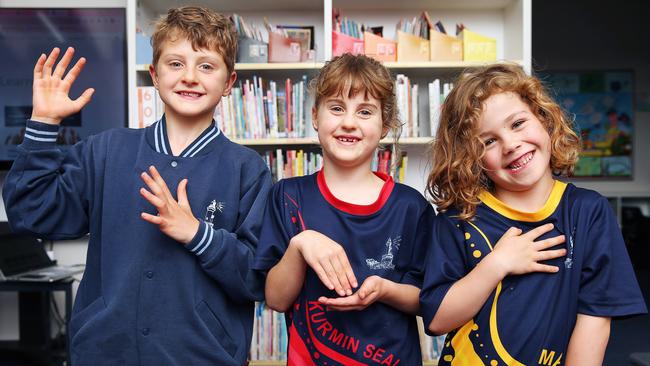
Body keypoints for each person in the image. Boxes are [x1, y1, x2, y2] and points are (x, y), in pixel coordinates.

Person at [2, 6, 271, 365]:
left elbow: (259, 277)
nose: (190, 76)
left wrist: (198, 234)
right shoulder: (106, 151)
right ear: (154, 76)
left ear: (229, 83)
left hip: (202, 357)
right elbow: (29, 211)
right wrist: (43, 124)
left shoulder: (248, 170)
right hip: (105, 353)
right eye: (175, 64)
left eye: (206, 66)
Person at [420, 63, 647, 365]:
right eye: (488, 141)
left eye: (517, 124)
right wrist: (498, 264)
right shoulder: (458, 218)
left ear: (544, 120)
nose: (511, 145)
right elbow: (437, 320)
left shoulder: (588, 213)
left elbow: (594, 321)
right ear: (471, 158)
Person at [253, 53, 434, 365]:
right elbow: (276, 299)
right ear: (314, 116)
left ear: (385, 124)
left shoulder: (410, 207)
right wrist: (299, 245)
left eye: (365, 112)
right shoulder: (287, 196)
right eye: (336, 108)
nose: (348, 122)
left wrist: (385, 290)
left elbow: (428, 301)